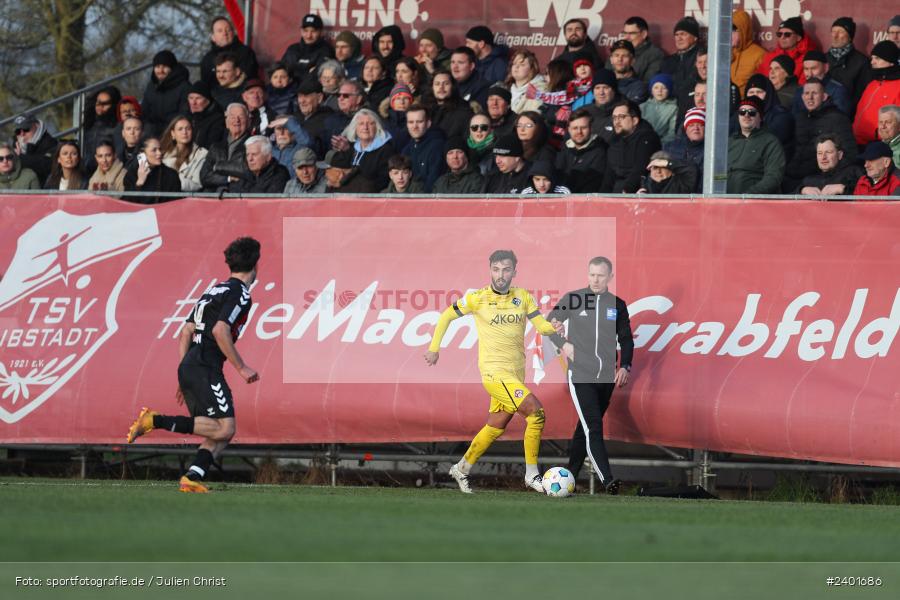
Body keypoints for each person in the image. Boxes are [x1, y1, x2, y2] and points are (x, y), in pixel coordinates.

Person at [127, 237, 260, 493]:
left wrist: (183, 372)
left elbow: (186, 331)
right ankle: (155, 420)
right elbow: (220, 330)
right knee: (225, 428)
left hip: (191, 364)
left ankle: (191, 477)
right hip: (205, 366)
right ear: (255, 265)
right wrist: (241, 367)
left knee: (220, 430)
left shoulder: (213, 290)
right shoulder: (240, 294)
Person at [425, 250, 562, 494]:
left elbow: (540, 325)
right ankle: (532, 475)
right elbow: (446, 316)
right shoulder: (477, 298)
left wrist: (553, 327)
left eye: (506, 269)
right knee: (536, 414)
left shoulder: (523, 297)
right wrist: (434, 349)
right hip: (493, 373)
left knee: (496, 426)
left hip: (515, 374)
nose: (500, 275)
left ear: (514, 272)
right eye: (496, 269)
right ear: (490, 270)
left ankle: (461, 468)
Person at [547, 256, 633, 495]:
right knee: (593, 426)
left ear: (610, 277)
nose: (595, 280)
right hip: (581, 375)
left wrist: (625, 366)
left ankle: (569, 477)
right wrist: (563, 344)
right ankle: (608, 480)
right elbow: (548, 324)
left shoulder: (617, 305)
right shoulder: (574, 299)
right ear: (587, 275)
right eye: (592, 275)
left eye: (601, 275)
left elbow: (626, 339)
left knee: (584, 428)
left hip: (606, 378)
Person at [784, 77, 856, 188]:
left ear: (824, 96)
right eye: (807, 93)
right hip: (793, 177)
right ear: (802, 97)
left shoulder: (838, 119)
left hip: (819, 179)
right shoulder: (799, 118)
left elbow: (850, 154)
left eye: (814, 93)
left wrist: (829, 177)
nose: (810, 97)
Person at [727, 96, 785, 194]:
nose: (746, 115)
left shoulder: (770, 141)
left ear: (760, 117)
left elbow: (774, 176)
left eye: (752, 112)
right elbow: (720, 174)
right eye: (742, 112)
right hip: (725, 199)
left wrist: (750, 195)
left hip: (754, 200)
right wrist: (716, 188)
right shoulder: (729, 141)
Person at [602, 99, 661, 193]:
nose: (616, 122)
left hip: (638, 193)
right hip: (616, 193)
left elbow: (640, 169)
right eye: (614, 118)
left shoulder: (648, 138)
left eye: (621, 117)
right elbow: (609, 175)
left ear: (634, 120)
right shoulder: (614, 141)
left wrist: (626, 191)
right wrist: (602, 196)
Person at [335, 108, 396, 191]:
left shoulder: (386, 150)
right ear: (355, 128)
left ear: (377, 127)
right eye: (361, 124)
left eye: (370, 124)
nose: (365, 127)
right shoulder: (352, 147)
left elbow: (384, 180)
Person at [853, 42, 900, 146]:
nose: (872, 62)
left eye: (877, 58)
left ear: (891, 62)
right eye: (872, 58)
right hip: (858, 142)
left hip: (881, 145)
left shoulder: (898, 86)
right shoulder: (872, 84)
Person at [201, 103, 251, 192]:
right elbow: (204, 177)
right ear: (226, 122)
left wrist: (217, 166)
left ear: (248, 122)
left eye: (241, 117)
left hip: (239, 194)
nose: (237, 120)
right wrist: (228, 178)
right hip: (213, 195)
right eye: (232, 117)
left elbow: (247, 171)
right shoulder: (216, 147)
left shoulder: (253, 145)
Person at [554, 108, 606, 193]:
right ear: (569, 130)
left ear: (591, 128)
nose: (579, 132)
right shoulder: (562, 150)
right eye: (575, 128)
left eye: (583, 128)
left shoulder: (600, 152)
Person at [199, 17, 259, 89]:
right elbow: (205, 85)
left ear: (233, 33)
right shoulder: (207, 59)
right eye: (220, 31)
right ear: (213, 37)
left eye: (228, 30)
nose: (225, 33)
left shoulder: (246, 53)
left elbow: (250, 79)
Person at [141, 50, 191, 136]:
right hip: (152, 132)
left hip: (174, 132)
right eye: (157, 67)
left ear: (172, 68)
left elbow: (184, 114)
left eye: (164, 67)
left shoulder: (184, 87)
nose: (160, 70)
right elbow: (144, 112)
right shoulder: (151, 86)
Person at [797, 134, 863, 197]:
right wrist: (802, 190)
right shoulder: (809, 179)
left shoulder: (853, 172)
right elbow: (791, 196)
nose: (823, 157)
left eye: (828, 152)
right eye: (820, 153)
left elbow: (867, 193)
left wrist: (843, 189)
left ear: (840, 155)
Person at [757, 16, 818, 84]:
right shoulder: (770, 56)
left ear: (798, 37)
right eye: (779, 34)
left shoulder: (808, 59)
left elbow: (804, 86)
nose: (782, 37)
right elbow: (759, 82)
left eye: (787, 34)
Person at [123, 137, 182, 203]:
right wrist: (139, 183)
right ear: (142, 154)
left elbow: (176, 203)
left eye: (160, 149)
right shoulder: (132, 174)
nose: (159, 153)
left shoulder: (171, 175)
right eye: (154, 150)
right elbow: (126, 203)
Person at [401, 104, 445, 192]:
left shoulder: (438, 147)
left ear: (428, 123)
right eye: (411, 122)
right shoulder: (406, 150)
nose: (415, 126)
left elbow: (433, 184)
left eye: (419, 122)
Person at [280, 13, 335, 83]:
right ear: (301, 31)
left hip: (312, 89)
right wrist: (308, 72)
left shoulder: (326, 51)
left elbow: (318, 77)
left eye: (313, 31)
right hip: (289, 89)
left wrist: (295, 73)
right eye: (305, 31)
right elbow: (280, 72)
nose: (309, 36)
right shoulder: (292, 49)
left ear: (321, 32)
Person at [827, 17, 870, 105]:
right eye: (833, 31)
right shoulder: (823, 58)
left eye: (841, 32)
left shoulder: (862, 62)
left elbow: (862, 95)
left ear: (850, 37)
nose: (835, 36)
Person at [161, 115, 209, 192]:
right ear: (173, 134)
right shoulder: (163, 154)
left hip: (187, 197)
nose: (184, 132)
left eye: (188, 129)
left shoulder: (202, 154)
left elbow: (197, 184)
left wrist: (172, 180)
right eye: (180, 129)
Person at [661, 17, 701, 105]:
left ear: (695, 37)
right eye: (676, 35)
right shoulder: (668, 61)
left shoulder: (701, 59)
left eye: (683, 34)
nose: (679, 38)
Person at [664, 107, 705, 191]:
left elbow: (720, 177)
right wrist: (646, 187)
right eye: (691, 125)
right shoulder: (670, 147)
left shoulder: (713, 150)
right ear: (686, 129)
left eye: (700, 124)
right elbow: (657, 172)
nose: (696, 128)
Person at [426, 70, 474, 141]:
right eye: (437, 84)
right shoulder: (426, 111)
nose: (441, 87)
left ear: (453, 86)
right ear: (432, 88)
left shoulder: (464, 112)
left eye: (446, 83)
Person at [613, 16, 664, 83]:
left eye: (631, 33)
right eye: (625, 33)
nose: (626, 37)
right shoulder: (617, 51)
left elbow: (649, 82)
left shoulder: (655, 54)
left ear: (644, 34)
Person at [292, 78, 333, 158]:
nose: (302, 101)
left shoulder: (328, 119)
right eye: (300, 96)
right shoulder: (295, 117)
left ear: (319, 98)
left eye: (306, 96)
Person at [12, 113, 56, 184]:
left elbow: (48, 165)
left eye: (26, 129)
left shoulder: (50, 142)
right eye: (18, 131)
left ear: (36, 125)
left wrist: (21, 158)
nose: (22, 134)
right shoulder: (16, 143)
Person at [731, 9, 765, 95]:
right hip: (724, 100)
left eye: (733, 29)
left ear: (743, 30)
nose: (729, 33)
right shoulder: (724, 52)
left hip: (747, 101)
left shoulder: (759, 54)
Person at [640, 73, 677, 145]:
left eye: (664, 88)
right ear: (651, 90)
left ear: (669, 90)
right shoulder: (642, 107)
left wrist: (659, 144)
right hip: (642, 141)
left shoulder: (673, 108)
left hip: (661, 144)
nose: (659, 91)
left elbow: (671, 133)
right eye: (656, 87)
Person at [187, 81, 225, 150]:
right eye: (191, 98)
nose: (193, 102)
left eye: (198, 98)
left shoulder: (218, 120)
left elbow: (211, 147)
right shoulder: (186, 117)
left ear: (208, 100)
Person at [506, 49, 546, 114]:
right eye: (514, 63)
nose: (516, 66)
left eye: (522, 64)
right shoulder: (505, 88)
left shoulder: (539, 90)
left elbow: (534, 115)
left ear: (532, 69)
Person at [609, 39, 648, 104]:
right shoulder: (603, 81)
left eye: (624, 56)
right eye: (616, 55)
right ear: (611, 59)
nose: (620, 59)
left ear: (632, 60)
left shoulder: (639, 87)